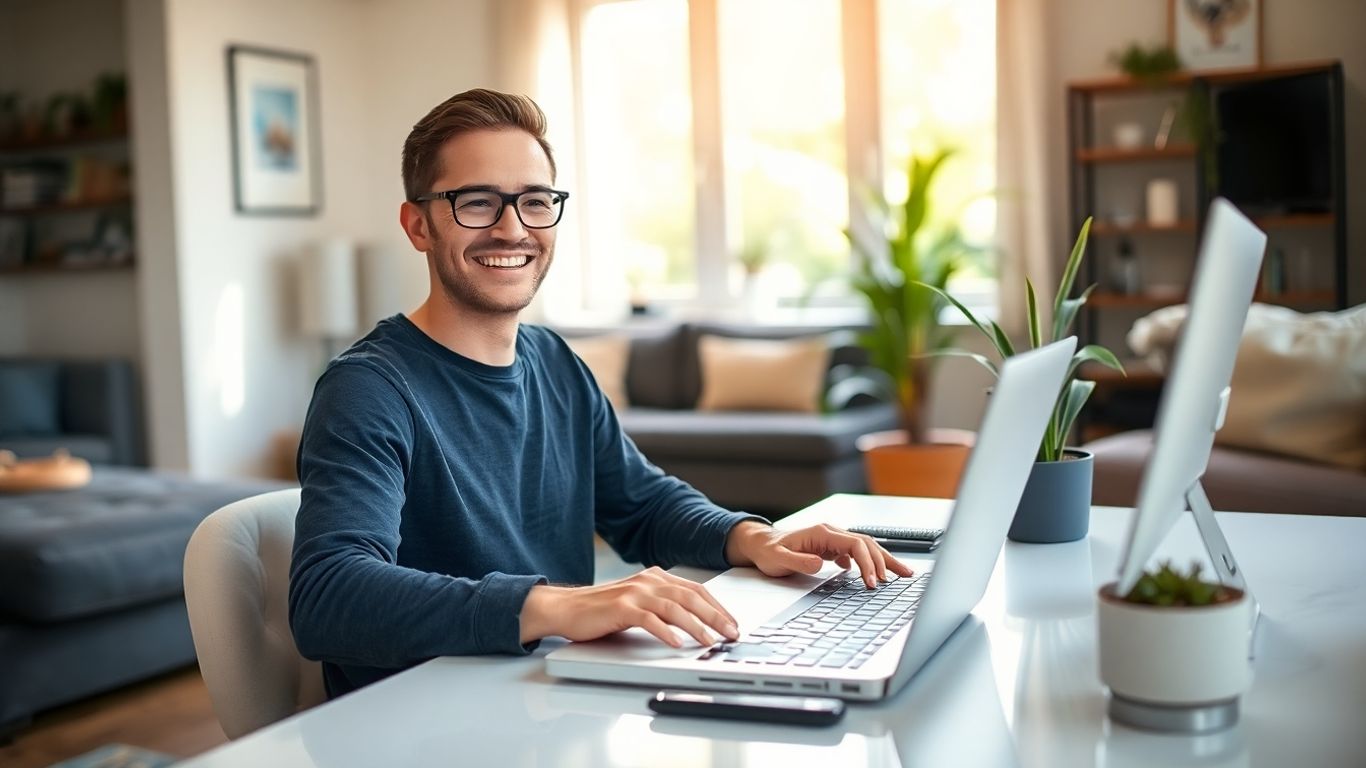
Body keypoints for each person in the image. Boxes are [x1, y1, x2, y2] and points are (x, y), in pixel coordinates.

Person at [288, 88, 913, 699]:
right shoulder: (368, 389)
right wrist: (559, 605)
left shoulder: (556, 360)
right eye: (476, 202)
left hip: (546, 696)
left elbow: (641, 504)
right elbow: (329, 596)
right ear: (418, 225)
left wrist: (754, 539)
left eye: (534, 201)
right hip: (427, 720)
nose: (512, 229)